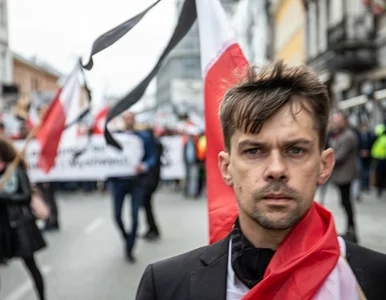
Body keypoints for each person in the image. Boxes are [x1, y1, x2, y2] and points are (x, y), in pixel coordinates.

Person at [136, 62, 386, 300]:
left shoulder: (375, 280)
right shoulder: (166, 286)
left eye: (296, 150)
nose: (276, 170)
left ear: (324, 165)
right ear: (227, 168)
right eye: (254, 151)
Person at [0, 137, 46, 300]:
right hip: (2, 227)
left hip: (18, 225)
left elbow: (26, 196)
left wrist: (4, 196)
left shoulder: (16, 171)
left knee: (31, 265)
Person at [107, 111, 157, 263]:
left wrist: (145, 165)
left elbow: (152, 156)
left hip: (136, 181)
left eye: (131, 117)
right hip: (118, 181)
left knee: (134, 216)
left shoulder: (144, 137)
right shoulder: (115, 136)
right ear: (123, 120)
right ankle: (127, 237)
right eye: (126, 118)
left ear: (134, 120)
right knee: (116, 215)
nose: (128, 120)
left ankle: (129, 249)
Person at [329, 112, 359, 243]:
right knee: (344, 202)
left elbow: (338, 156)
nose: (335, 123)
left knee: (347, 203)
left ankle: (352, 230)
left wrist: (325, 160)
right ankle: (350, 229)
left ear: (345, 121)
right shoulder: (339, 135)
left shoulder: (348, 136)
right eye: (334, 121)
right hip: (341, 175)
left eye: (338, 121)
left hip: (345, 175)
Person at [141, 128, 163, 240]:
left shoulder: (154, 147)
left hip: (150, 180)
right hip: (152, 179)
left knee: (147, 205)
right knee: (147, 206)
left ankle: (153, 229)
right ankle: (151, 228)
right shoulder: (156, 145)